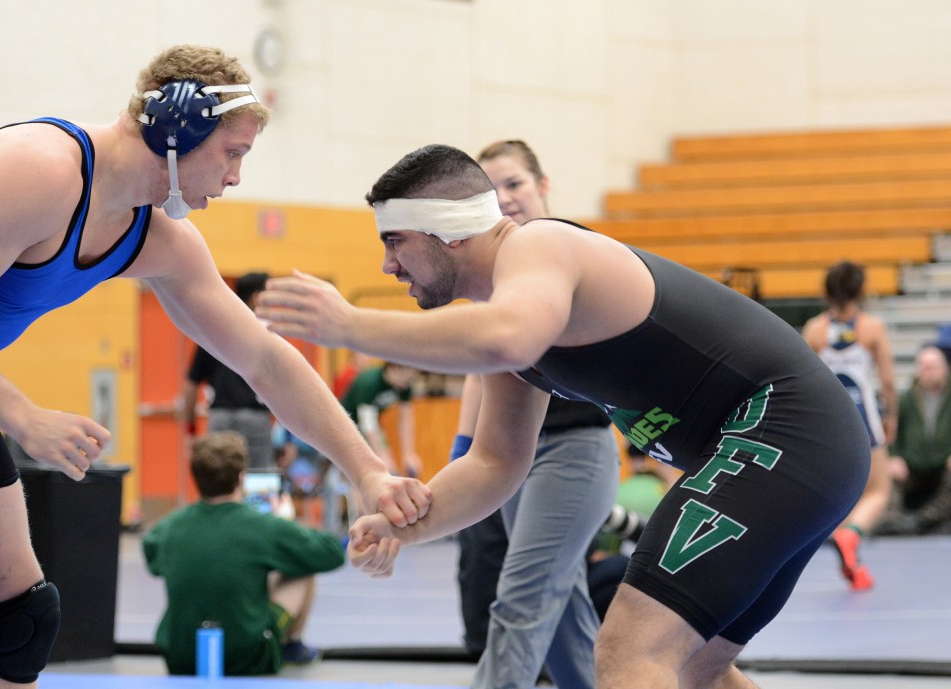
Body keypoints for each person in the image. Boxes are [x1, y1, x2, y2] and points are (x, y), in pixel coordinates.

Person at [260, 143, 871, 689]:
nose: (388, 268)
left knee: (631, 647)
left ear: (447, 231)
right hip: (797, 446)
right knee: (694, 668)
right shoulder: (503, 316)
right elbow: (496, 464)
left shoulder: (539, 247)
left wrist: (350, 326)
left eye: (395, 242)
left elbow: (511, 338)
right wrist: (405, 524)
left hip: (782, 431)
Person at [0, 44, 429, 688]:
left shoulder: (153, 239)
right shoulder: (45, 170)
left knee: (17, 621)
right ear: (178, 127)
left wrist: (366, 470)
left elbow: (265, 359)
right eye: (233, 151)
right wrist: (23, 416)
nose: (236, 176)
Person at [451, 140, 617, 689]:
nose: (504, 198)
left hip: (571, 449)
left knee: (521, 597)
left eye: (514, 183)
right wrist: (464, 446)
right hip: (509, 457)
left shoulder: (573, 251)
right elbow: (486, 367)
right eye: (490, 190)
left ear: (543, 186)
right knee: (561, 605)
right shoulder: (491, 271)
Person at [143, 431, 343, 674]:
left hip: (181, 657)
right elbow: (331, 553)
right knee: (302, 569)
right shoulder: (262, 526)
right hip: (249, 657)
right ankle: (291, 645)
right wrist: (285, 523)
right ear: (241, 479)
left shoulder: (167, 528)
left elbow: (152, 558)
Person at [802, 260, 897, 591]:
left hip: (829, 423)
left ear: (825, 292)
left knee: (843, 496)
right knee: (878, 491)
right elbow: (886, 381)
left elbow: (803, 381)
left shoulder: (814, 329)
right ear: (861, 291)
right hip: (864, 418)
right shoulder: (872, 328)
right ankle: (850, 536)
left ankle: (853, 559)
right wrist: (892, 416)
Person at [183, 271, 277, 469]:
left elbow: (191, 384)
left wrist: (190, 430)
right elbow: (285, 386)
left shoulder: (213, 330)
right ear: (255, 297)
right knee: (258, 486)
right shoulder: (266, 333)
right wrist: (287, 438)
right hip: (255, 419)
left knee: (218, 482)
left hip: (220, 419)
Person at [876, 346, 951, 534]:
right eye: (923, 367)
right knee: (887, 469)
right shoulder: (905, 400)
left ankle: (928, 518)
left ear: (945, 369)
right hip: (912, 466)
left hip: (944, 465)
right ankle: (892, 520)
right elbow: (891, 432)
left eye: (932, 367)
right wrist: (893, 457)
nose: (926, 372)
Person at [341, 361, 423, 478]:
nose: (409, 383)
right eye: (408, 378)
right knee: (369, 468)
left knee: (386, 458)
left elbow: (406, 420)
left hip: (371, 425)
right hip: (348, 426)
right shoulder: (369, 382)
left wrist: (408, 454)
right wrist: (385, 458)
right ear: (395, 368)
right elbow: (368, 426)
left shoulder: (404, 385)